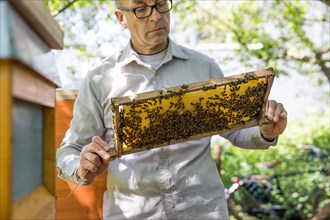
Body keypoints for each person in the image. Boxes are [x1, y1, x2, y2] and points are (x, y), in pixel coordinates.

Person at [56, 0, 288, 219]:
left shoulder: (204, 67)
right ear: (121, 18)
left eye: (161, 4)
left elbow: (236, 130)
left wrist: (266, 131)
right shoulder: (100, 79)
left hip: (203, 211)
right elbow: (69, 151)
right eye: (141, 8)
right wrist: (81, 165)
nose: (156, 16)